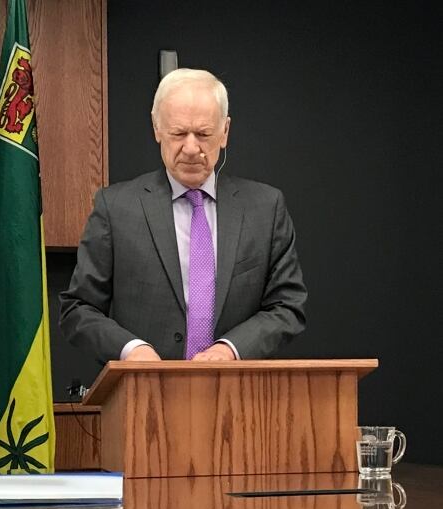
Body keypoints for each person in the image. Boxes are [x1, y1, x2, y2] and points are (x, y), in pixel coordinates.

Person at [60, 68, 307, 364]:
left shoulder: (266, 208)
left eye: (203, 134)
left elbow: (287, 305)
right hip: (143, 395)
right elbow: (79, 308)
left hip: (239, 398)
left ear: (225, 132)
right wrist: (132, 349)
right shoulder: (115, 208)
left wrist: (230, 349)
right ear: (157, 129)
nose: (191, 149)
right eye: (178, 133)